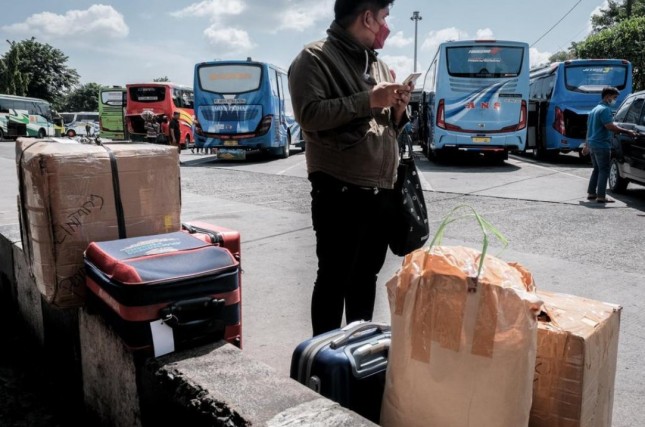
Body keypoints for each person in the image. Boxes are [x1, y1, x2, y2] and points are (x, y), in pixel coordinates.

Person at [288, 0, 413, 336]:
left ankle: (355, 353)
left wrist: (399, 110)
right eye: (385, 16)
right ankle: (322, 363)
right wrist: (370, 99)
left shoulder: (381, 66)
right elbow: (309, 116)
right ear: (368, 17)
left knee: (365, 277)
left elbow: (387, 126)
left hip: (381, 189)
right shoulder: (314, 58)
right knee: (334, 277)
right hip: (339, 189)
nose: (387, 24)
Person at [586, 87, 636, 203]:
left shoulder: (594, 109)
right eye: (614, 97)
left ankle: (591, 193)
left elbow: (589, 129)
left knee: (597, 169)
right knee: (604, 170)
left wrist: (586, 145)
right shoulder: (605, 110)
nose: (615, 100)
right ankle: (601, 196)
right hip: (601, 144)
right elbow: (610, 126)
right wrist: (627, 131)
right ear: (607, 96)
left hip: (593, 144)